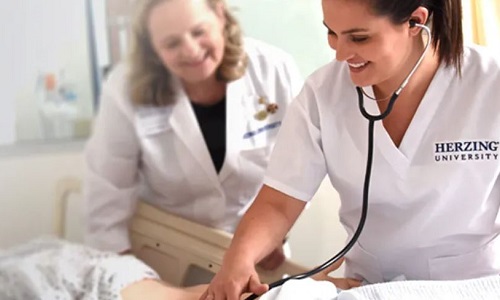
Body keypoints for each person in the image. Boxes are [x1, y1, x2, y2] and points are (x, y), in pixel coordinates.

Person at [202, 0, 500, 298]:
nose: (341, 54)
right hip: (369, 288)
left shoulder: (490, 84)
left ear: (414, 21)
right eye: (332, 33)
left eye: (359, 38)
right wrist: (237, 261)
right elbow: (279, 203)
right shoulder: (323, 93)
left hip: (470, 288)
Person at [83, 0, 303, 271]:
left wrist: (273, 233)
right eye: (171, 44)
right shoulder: (126, 89)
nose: (190, 50)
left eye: (199, 32)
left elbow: (298, 168)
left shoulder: (273, 70)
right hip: (166, 251)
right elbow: (106, 195)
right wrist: (121, 276)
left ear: (220, 15)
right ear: (152, 47)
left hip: (256, 249)